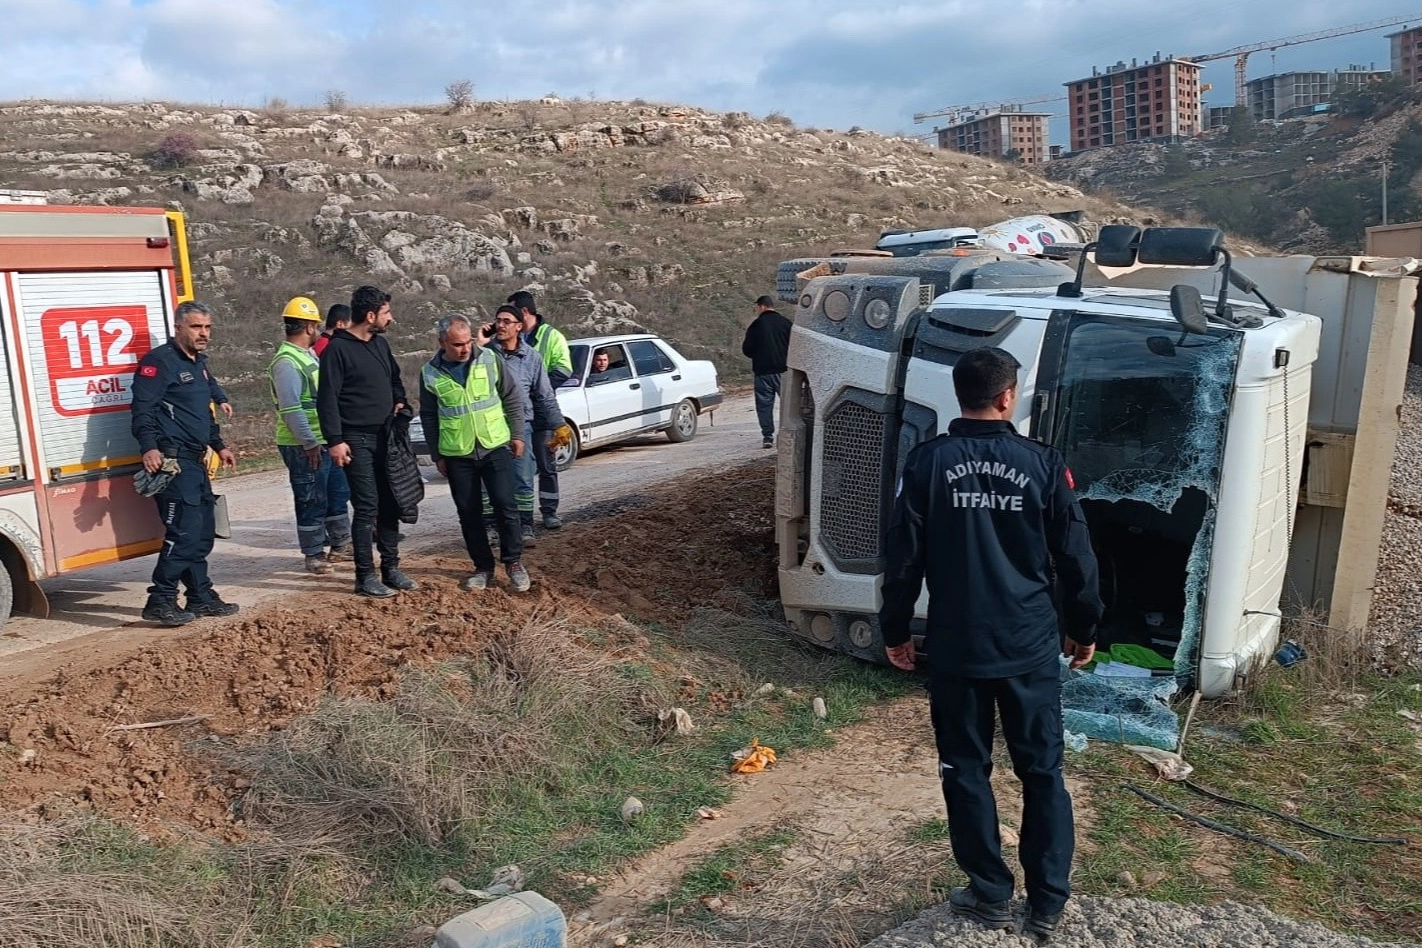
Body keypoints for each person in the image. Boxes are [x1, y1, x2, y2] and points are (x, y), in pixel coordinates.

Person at [877, 346, 1103, 941]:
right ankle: (1048, 902)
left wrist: (896, 630)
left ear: (960, 395)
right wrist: (1084, 628)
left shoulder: (926, 465)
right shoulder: (1043, 464)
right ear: (1008, 396)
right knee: (1042, 772)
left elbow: (903, 560)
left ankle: (990, 892)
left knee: (965, 770)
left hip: (957, 647)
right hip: (1028, 645)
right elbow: (1077, 557)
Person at [131, 301, 240, 626]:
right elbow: (142, 409)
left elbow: (202, 413)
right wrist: (149, 447)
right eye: (196, 327)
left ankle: (200, 596)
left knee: (203, 532)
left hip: (196, 462)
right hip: (173, 462)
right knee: (184, 533)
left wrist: (219, 445)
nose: (203, 333)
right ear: (178, 328)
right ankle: (160, 599)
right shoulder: (159, 362)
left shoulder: (199, 364)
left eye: (207, 327)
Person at [317, 285, 418, 599]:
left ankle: (391, 568)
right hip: (355, 440)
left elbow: (394, 380)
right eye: (387, 312)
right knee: (366, 506)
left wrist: (400, 401)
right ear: (370, 315)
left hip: (386, 436)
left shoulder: (381, 345)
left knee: (390, 502)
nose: (391, 318)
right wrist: (335, 440)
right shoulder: (337, 349)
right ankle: (365, 576)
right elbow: (327, 400)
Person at [419, 313, 531, 593]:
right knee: (469, 513)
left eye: (467, 341)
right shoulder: (429, 373)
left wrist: (517, 434)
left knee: (506, 506)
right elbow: (429, 416)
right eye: (457, 344)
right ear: (442, 342)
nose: (465, 348)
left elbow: (511, 397)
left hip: (494, 445)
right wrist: (437, 455)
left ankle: (514, 562)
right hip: (458, 453)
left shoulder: (490, 359)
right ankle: (483, 568)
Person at [268, 296, 352, 574]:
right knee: (311, 498)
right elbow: (292, 409)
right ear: (309, 327)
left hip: (324, 439)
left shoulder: (308, 356)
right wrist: (309, 442)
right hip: (303, 444)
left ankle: (341, 544)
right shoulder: (287, 363)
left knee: (335, 493)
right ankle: (314, 553)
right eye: (314, 325)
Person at [479, 305, 565, 549]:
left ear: (519, 326)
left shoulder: (532, 358)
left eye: (507, 321)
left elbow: (544, 395)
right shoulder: (484, 355)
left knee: (522, 478)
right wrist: (480, 345)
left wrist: (558, 424)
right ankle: (490, 527)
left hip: (521, 426)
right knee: (488, 481)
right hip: (491, 426)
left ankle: (525, 525)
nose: (501, 325)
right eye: (498, 320)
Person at [509, 290, 572, 529]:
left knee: (546, 464)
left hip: (543, 412)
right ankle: (522, 518)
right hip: (520, 413)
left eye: (513, 312)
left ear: (524, 312)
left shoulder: (551, 336)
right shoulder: (511, 340)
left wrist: (536, 388)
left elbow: (564, 369)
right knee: (520, 469)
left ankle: (549, 512)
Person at [741, 295, 792, 449]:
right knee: (789, 405)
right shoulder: (786, 323)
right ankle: (790, 435)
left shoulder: (756, 326)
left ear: (762, 306)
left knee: (764, 407)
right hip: (784, 372)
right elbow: (795, 347)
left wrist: (759, 354)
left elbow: (747, 350)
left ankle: (768, 437)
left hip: (762, 373)